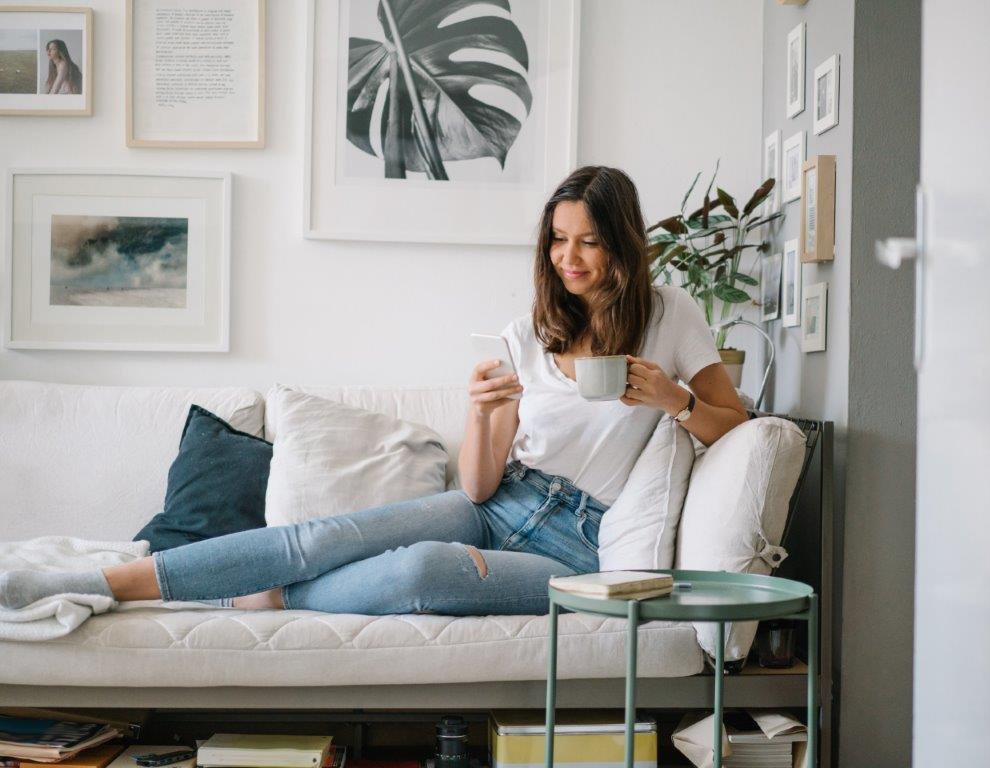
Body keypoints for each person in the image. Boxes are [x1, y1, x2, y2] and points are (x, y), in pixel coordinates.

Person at [0, 166, 747, 617]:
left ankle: (265, 594)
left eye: (587, 240)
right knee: (321, 536)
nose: (568, 258)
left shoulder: (671, 314)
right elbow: (478, 485)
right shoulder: (528, 331)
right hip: (503, 501)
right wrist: (485, 414)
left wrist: (674, 403)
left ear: (621, 242)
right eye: (557, 239)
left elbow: (737, 424)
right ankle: (99, 581)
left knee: (421, 571)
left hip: (575, 544)